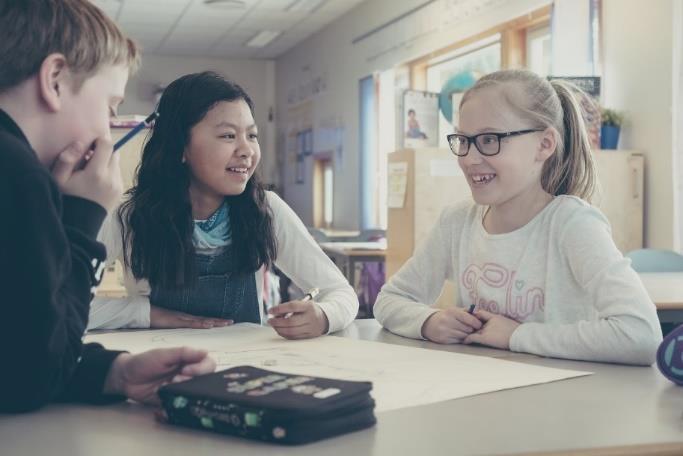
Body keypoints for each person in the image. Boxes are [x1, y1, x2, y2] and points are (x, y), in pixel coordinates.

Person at [0, 0, 215, 413]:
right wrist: (82, 216)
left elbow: (9, 353)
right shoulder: (20, 176)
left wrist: (113, 371)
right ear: (55, 79)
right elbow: (32, 373)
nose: (106, 129)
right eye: (110, 107)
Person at [374, 69, 662, 365]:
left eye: (489, 139)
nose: (470, 158)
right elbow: (389, 300)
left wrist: (517, 336)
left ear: (545, 144)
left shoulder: (572, 224)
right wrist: (429, 321)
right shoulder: (457, 222)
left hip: (562, 401)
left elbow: (640, 335)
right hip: (477, 394)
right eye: (463, 140)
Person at [88, 71, 358, 340]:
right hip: (161, 365)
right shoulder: (130, 216)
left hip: (247, 367)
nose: (247, 151)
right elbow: (71, 305)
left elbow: (341, 293)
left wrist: (322, 316)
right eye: (228, 136)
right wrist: (149, 313)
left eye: (252, 136)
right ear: (181, 147)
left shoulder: (266, 210)